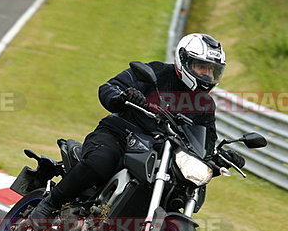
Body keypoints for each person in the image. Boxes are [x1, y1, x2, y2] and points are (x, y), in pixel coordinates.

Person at [30, 33, 245, 219]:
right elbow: (109, 87)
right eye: (202, 67)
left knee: (179, 190)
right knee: (100, 162)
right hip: (120, 134)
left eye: (212, 71)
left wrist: (220, 158)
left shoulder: (205, 105)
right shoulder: (156, 73)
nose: (207, 76)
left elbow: (205, 143)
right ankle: (49, 204)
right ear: (184, 61)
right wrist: (122, 97)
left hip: (161, 155)